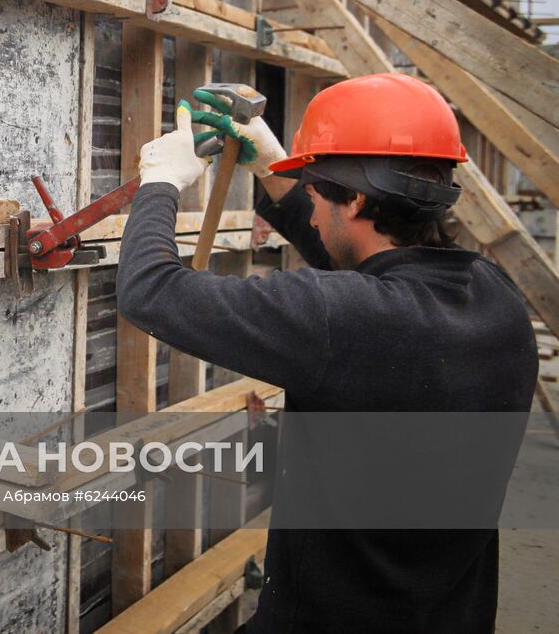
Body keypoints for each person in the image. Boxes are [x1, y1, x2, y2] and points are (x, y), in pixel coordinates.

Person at [118, 72, 538, 633]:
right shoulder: (496, 298)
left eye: (315, 196)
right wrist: (274, 163)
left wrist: (161, 182)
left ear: (357, 197)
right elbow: (359, 265)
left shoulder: (342, 318)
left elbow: (152, 292)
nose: (310, 214)